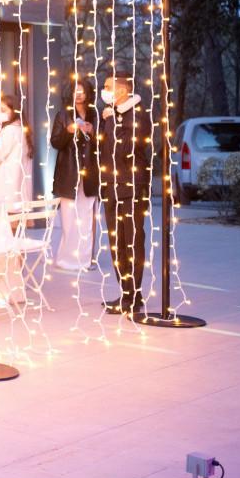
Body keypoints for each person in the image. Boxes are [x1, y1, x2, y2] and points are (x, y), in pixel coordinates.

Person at [98, 70, 151, 316]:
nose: (104, 90)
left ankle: (135, 294)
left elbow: (128, 147)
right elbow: (104, 149)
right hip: (111, 185)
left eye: (108, 86)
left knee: (132, 240)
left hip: (131, 187)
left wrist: (115, 120)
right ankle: (125, 292)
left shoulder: (138, 113)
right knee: (115, 241)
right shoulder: (110, 115)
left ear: (122, 90)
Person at [50, 79, 100, 271]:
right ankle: (66, 259)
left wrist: (92, 131)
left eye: (82, 91)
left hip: (90, 172)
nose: (79, 94)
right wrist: (68, 131)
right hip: (69, 172)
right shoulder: (63, 115)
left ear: (88, 94)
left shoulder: (94, 114)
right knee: (69, 218)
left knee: (87, 217)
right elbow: (55, 142)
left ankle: (86, 259)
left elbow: (103, 141)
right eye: (75, 91)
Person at [0, 94, 33, 208]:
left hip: (6, 192)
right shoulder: (22, 130)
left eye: (3, 110)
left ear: (14, 111)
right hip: (18, 194)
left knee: (5, 224)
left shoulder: (10, 131)